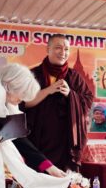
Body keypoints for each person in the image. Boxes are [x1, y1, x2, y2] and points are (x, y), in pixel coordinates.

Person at [21, 34, 93, 172]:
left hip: (66, 140)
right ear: (48, 49)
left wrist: (70, 95)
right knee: (38, 179)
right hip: (38, 138)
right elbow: (22, 102)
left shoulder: (74, 76)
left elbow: (88, 100)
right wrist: (49, 90)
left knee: (65, 184)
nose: (63, 52)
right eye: (58, 48)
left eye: (66, 49)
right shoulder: (33, 74)